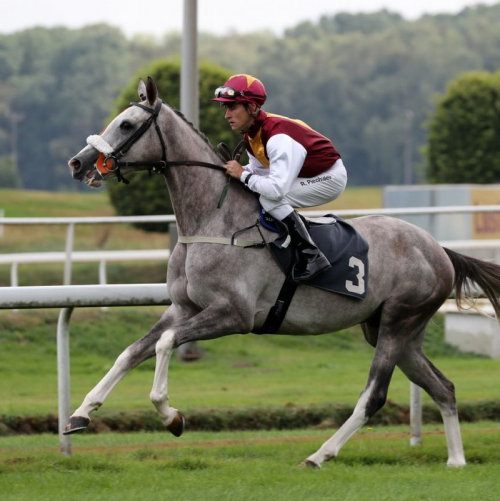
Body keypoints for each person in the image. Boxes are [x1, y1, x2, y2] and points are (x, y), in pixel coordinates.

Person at [213, 74, 347, 283]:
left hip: (328, 177)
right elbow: (258, 170)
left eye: (233, 107)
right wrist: (232, 171)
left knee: (270, 199)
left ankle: (313, 255)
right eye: (225, 108)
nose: (226, 115)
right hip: (306, 174)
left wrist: (243, 174)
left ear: (252, 107)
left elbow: (276, 190)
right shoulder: (252, 134)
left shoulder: (277, 137)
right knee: (255, 189)